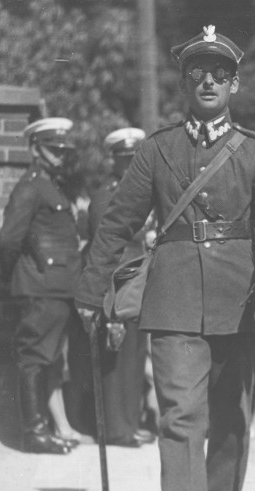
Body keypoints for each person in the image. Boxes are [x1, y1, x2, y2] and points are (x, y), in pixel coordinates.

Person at [75, 25, 255, 491]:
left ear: (234, 84)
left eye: (219, 73)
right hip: (171, 297)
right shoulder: (156, 150)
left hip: (240, 299)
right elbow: (116, 224)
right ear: (183, 83)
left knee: (230, 412)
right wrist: (90, 290)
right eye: (197, 72)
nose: (208, 81)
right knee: (179, 414)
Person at [0, 117, 82, 455]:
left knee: (48, 359)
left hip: (57, 287)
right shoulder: (30, 186)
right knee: (34, 357)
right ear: (35, 149)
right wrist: (12, 276)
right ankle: (33, 432)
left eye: (63, 150)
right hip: (40, 286)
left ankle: (46, 428)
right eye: (52, 149)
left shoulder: (51, 184)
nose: (60, 155)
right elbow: (9, 240)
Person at [85, 127, 154, 447]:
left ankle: (129, 421)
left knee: (134, 355)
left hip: (139, 284)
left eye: (134, 159)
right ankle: (116, 427)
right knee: (116, 355)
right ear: (114, 161)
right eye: (124, 160)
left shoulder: (143, 193)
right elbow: (105, 247)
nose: (130, 166)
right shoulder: (105, 196)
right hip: (117, 284)